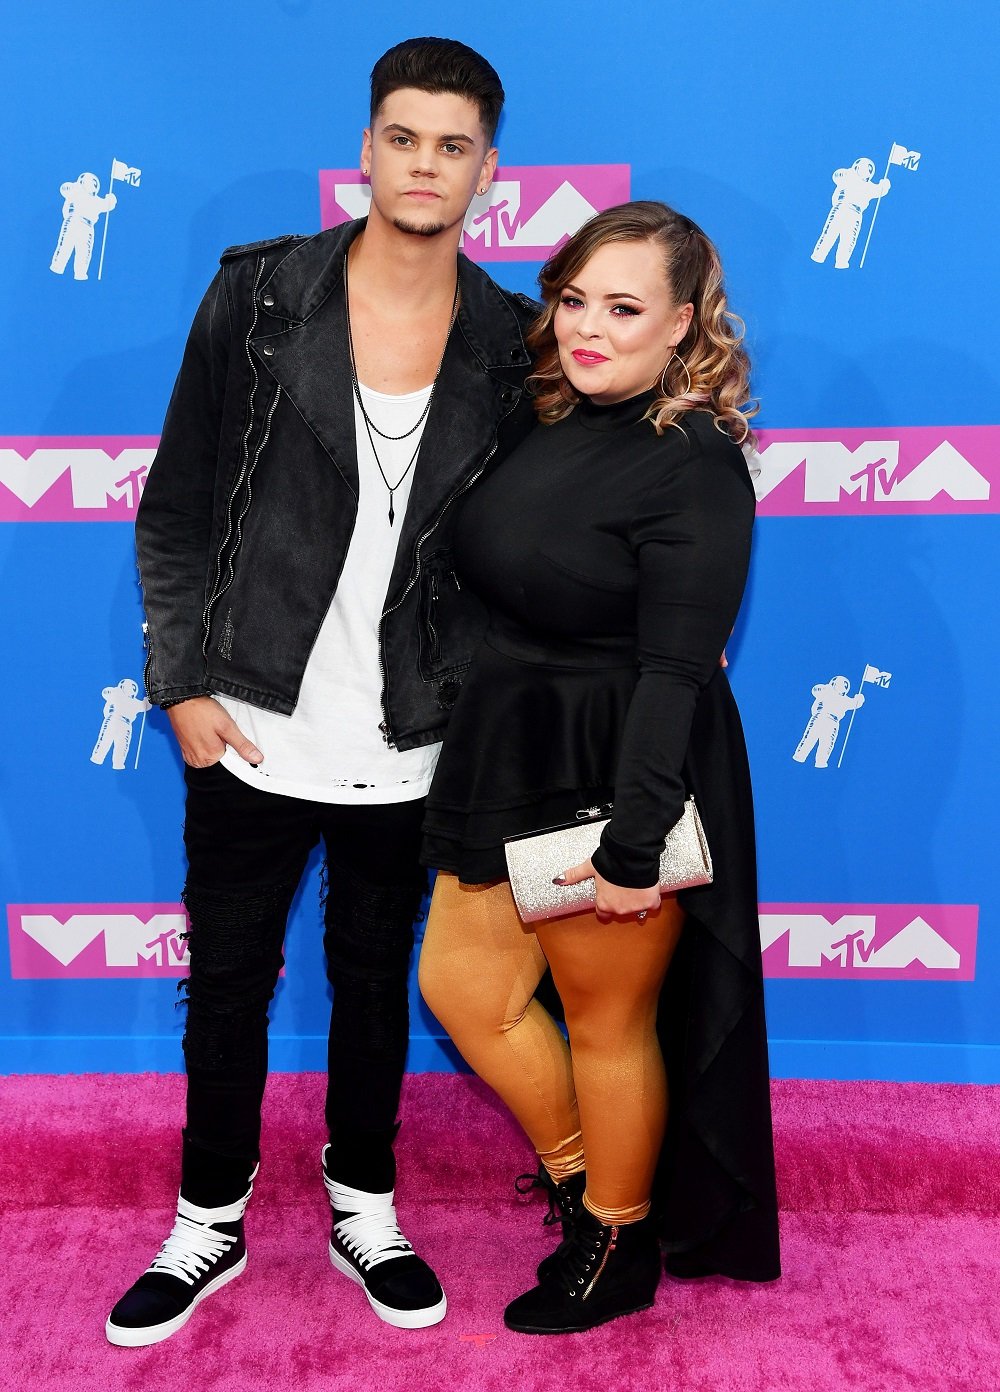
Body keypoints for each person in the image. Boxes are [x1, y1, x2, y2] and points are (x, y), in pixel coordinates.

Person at [106, 37, 537, 1347]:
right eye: (404, 137)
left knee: (370, 979)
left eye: (452, 145)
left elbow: (539, 543)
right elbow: (174, 505)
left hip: (417, 733)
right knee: (229, 982)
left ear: (488, 171)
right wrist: (178, 680)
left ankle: (365, 1204)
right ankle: (208, 1222)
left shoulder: (515, 340)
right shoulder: (259, 297)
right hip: (249, 718)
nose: (425, 164)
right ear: (365, 150)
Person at [419, 201, 781, 1335]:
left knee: (605, 1020)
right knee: (465, 992)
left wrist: (633, 846)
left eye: (623, 308)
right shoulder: (549, 416)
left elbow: (676, 672)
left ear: (682, 324)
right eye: (574, 298)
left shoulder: (697, 466)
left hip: (615, 761)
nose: (588, 327)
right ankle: (584, 1181)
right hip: (509, 740)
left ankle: (616, 1240)